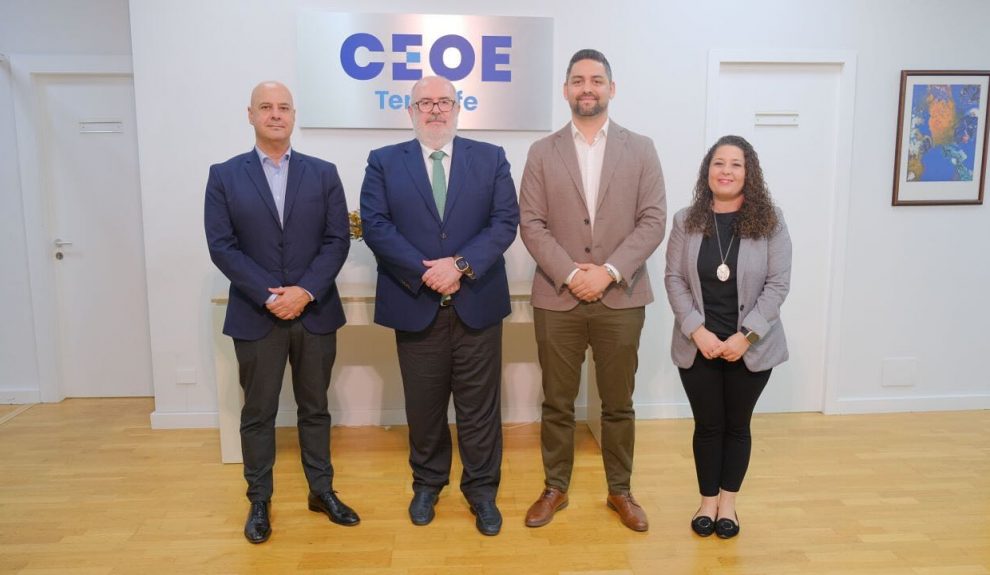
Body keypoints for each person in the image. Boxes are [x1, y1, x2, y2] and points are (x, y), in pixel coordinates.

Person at [359, 75, 519, 536]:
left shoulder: (490, 159)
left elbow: (504, 221)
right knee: (424, 406)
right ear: (410, 112)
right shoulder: (384, 162)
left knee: (479, 409)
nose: (434, 110)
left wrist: (461, 265)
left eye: (443, 102)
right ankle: (428, 484)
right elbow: (376, 224)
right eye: (424, 103)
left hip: (477, 303)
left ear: (457, 108)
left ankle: (482, 491)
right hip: (415, 301)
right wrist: (429, 271)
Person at [519, 49, 667, 532]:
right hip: (557, 297)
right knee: (556, 402)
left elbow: (652, 221)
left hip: (621, 297)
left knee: (618, 403)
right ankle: (554, 488)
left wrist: (607, 271)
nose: (588, 88)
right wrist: (571, 273)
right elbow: (532, 223)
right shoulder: (542, 152)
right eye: (579, 80)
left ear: (611, 89)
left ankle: (620, 491)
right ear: (566, 90)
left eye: (597, 80)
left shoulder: (640, 148)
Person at [205, 81, 358, 544]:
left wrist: (306, 291)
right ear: (249, 115)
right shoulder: (224, 175)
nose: (276, 114)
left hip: (315, 312)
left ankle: (321, 491)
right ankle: (259, 500)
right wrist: (271, 296)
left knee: (315, 408)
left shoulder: (324, 173)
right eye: (266, 107)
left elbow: (337, 240)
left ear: (295, 116)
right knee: (258, 412)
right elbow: (222, 246)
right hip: (257, 315)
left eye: (284, 107)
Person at [664, 134, 791, 539]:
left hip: (749, 349)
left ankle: (729, 505)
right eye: (719, 163)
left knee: (737, 425)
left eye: (736, 164)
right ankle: (706, 502)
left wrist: (746, 336)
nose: (726, 171)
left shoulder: (771, 220)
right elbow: (673, 279)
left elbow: (778, 284)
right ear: (708, 171)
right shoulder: (686, 219)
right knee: (707, 426)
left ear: (748, 172)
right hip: (698, 345)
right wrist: (696, 331)